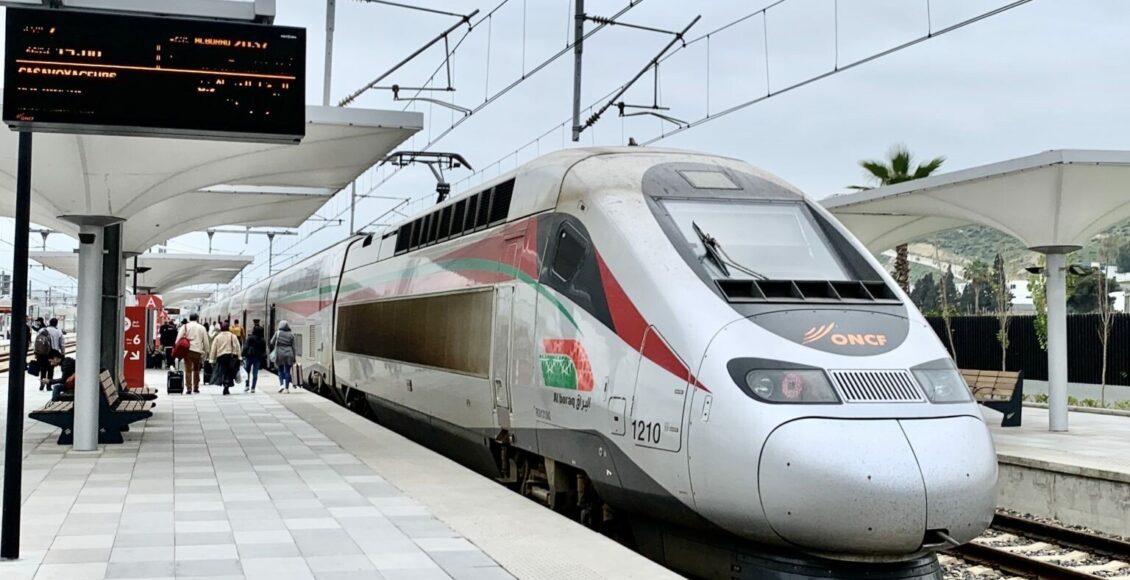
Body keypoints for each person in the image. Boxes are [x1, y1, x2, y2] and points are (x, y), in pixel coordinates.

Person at [176, 313, 209, 394]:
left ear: (189, 318)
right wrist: (206, 351)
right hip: (197, 351)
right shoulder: (202, 327)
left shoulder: (184, 326)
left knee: (188, 369)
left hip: (187, 350)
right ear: (197, 318)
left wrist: (177, 348)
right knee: (196, 369)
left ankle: (189, 388)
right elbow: (205, 341)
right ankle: (196, 387)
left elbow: (178, 339)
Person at [208, 321, 242, 396]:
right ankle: (227, 384)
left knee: (223, 371)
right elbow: (237, 347)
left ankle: (225, 383)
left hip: (221, 357)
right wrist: (239, 357)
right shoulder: (233, 336)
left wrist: (211, 360)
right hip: (231, 356)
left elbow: (213, 349)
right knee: (229, 371)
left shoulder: (218, 337)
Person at [270, 320, 296, 393]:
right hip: (289, 353)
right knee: (287, 371)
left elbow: (271, 342)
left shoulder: (277, 333)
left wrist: (278, 344)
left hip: (280, 353)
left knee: (280, 370)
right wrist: (294, 357)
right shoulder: (291, 334)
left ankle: (281, 385)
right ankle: (287, 388)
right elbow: (294, 347)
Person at [242, 324, 266, 393]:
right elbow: (264, 351)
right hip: (257, 358)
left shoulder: (250, 338)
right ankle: (253, 388)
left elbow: (246, 347)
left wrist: (242, 354)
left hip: (249, 357)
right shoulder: (262, 340)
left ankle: (247, 386)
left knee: (247, 372)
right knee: (255, 373)